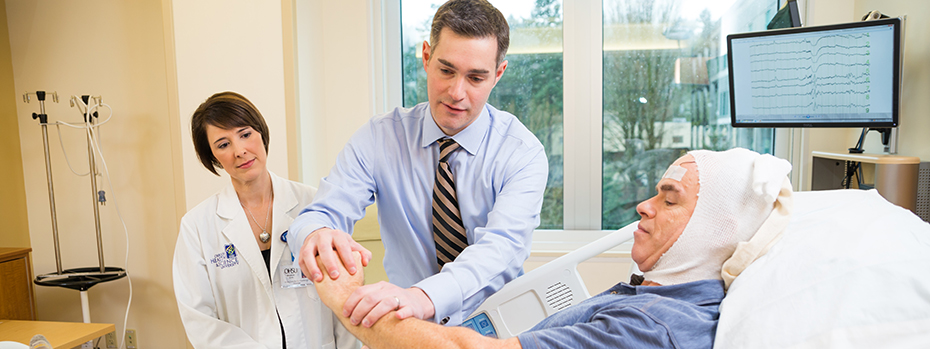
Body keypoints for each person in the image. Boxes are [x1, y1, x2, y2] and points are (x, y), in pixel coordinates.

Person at [310, 148, 794, 349]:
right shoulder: (652, 293)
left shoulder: (653, 328)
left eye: (669, 199)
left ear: (717, 228)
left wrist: (347, 301)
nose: (643, 207)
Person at [290, 0, 549, 329]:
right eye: (446, 70)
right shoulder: (380, 138)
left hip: (500, 327)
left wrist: (422, 296)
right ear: (426, 57)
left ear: (498, 74)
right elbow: (319, 213)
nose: (456, 92)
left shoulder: (522, 153)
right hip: (408, 325)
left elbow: (501, 249)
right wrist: (316, 233)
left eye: (475, 78)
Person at [172, 92, 359, 349]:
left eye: (245, 134)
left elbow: (344, 294)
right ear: (212, 156)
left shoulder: (314, 205)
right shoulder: (196, 226)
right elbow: (199, 319)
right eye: (223, 145)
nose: (240, 151)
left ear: (261, 133)